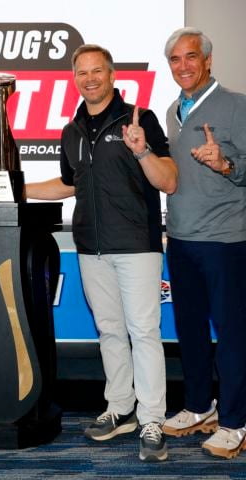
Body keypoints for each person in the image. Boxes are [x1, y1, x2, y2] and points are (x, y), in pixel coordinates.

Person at [26, 44, 177, 462]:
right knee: (110, 331)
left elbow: (169, 181)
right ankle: (121, 408)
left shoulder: (139, 119)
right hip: (90, 248)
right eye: (82, 73)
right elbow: (69, 183)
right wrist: (14, 190)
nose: (89, 79)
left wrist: (142, 150)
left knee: (143, 332)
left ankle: (151, 419)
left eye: (97, 71)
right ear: (74, 78)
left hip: (135, 246)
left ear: (112, 75)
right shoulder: (71, 129)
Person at [161, 27, 246, 459]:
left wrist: (226, 162)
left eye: (190, 57)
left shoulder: (236, 105)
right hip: (181, 239)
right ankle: (199, 407)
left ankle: (235, 421)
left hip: (226, 241)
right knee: (190, 331)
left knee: (232, 335)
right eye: (174, 59)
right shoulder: (174, 110)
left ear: (208, 60)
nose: (183, 66)